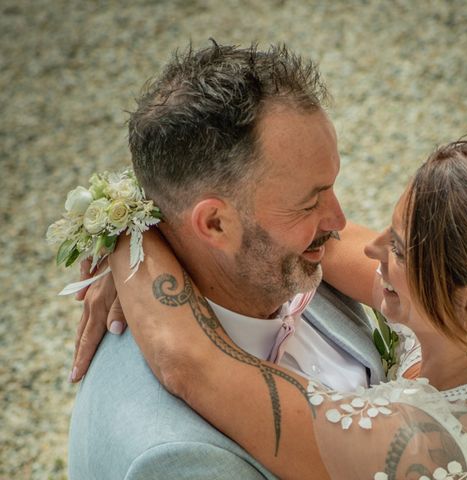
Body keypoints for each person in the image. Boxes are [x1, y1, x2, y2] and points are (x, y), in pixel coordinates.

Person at [102, 138, 467, 479]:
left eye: (400, 250)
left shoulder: (414, 445)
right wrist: (180, 202)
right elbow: (319, 244)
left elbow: (187, 361)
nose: (374, 247)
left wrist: (124, 228)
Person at [67, 41, 391, 480]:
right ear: (215, 224)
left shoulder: (291, 261)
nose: (339, 220)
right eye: (309, 201)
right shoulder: (176, 459)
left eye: (331, 185)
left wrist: (129, 236)